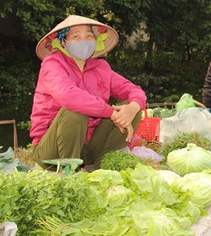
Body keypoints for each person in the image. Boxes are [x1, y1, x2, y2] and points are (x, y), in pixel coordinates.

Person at [31, 15, 146, 170]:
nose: (83, 41)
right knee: (75, 111)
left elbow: (132, 89)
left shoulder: (100, 67)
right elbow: (69, 97)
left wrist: (133, 107)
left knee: (131, 109)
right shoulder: (53, 64)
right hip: (52, 152)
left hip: (88, 149)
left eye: (89, 36)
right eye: (76, 36)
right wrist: (110, 112)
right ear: (64, 42)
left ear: (94, 41)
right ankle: (69, 173)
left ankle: (101, 169)